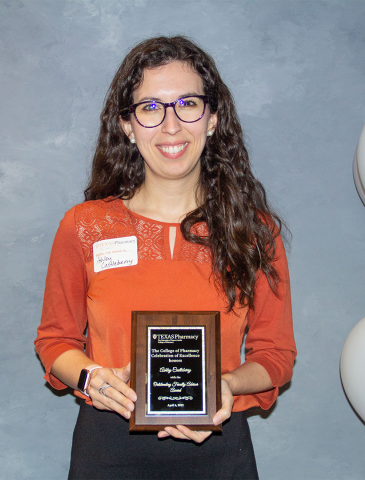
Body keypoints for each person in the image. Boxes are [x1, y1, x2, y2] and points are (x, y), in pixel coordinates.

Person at [35, 35, 296, 480]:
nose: (171, 126)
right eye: (151, 108)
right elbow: (54, 340)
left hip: (219, 445)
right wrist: (90, 376)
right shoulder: (84, 226)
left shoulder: (255, 232)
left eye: (187, 104)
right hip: (108, 449)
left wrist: (227, 385)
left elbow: (275, 356)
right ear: (127, 126)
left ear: (212, 118)